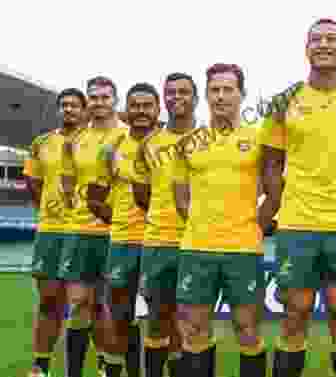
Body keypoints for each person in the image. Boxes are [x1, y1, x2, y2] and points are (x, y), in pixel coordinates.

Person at [259, 18, 336, 377]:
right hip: (297, 223)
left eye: (332, 39)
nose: (324, 45)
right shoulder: (284, 101)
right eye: (316, 39)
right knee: (294, 310)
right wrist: (281, 201)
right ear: (306, 49)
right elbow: (270, 163)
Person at [173, 63, 267, 377]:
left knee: (247, 329)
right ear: (206, 95)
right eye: (215, 90)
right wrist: (204, 224)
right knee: (194, 329)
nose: (221, 96)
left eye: (228, 89)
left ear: (242, 94)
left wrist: (253, 225)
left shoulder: (260, 140)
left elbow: (275, 192)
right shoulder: (188, 143)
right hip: (197, 249)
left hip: (244, 250)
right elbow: (181, 199)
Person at [87, 83, 161, 377]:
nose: (141, 111)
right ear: (126, 110)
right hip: (123, 243)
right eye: (135, 106)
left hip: (167, 242)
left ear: (158, 109)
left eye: (147, 106)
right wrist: (117, 218)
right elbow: (94, 197)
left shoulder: (171, 144)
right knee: (119, 317)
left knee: (167, 318)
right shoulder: (111, 149)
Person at [58, 76, 129, 377]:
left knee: (112, 307)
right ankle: (74, 371)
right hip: (81, 232)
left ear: (115, 100)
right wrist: (78, 207)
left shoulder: (129, 136)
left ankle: (107, 366)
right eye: (94, 97)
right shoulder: (75, 141)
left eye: (104, 97)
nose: (99, 102)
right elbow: (66, 182)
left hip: (119, 233)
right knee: (77, 305)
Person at [132, 72, 199, 377]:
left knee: (192, 320)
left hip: (199, 242)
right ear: (163, 101)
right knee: (157, 318)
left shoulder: (209, 138)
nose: (176, 98)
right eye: (170, 93)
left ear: (195, 98)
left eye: (183, 92)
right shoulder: (149, 144)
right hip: (158, 242)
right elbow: (142, 194)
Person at [24, 88, 87, 377]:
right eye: (64, 105)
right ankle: (41, 366)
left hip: (87, 230)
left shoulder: (96, 141)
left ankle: (101, 365)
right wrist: (50, 210)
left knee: (89, 304)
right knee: (49, 300)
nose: (69, 110)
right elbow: (33, 182)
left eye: (74, 105)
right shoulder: (42, 142)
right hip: (51, 231)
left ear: (84, 110)